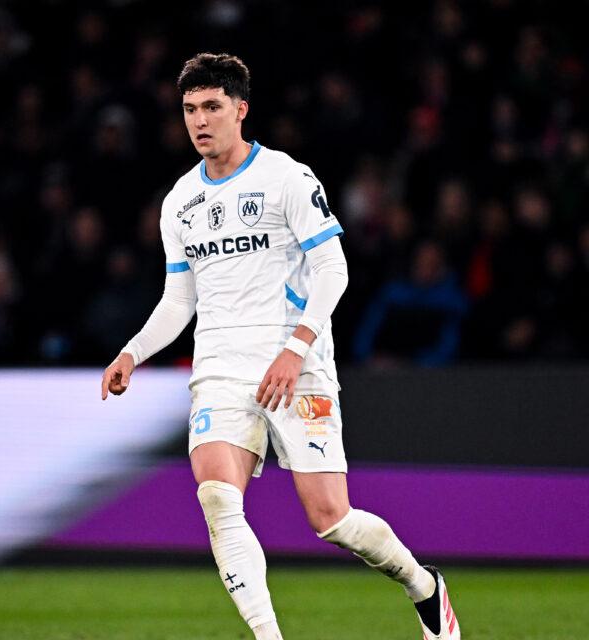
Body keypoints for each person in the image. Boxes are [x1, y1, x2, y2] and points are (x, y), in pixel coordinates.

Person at [101, 53, 460, 640]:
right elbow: (179, 299)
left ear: (241, 109)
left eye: (212, 106)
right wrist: (132, 352)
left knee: (331, 518)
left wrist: (296, 349)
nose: (200, 120)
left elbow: (333, 270)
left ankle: (424, 586)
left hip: (295, 362)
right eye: (190, 109)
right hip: (220, 367)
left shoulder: (287, 178)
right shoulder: (179, 202)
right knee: (218, 499)